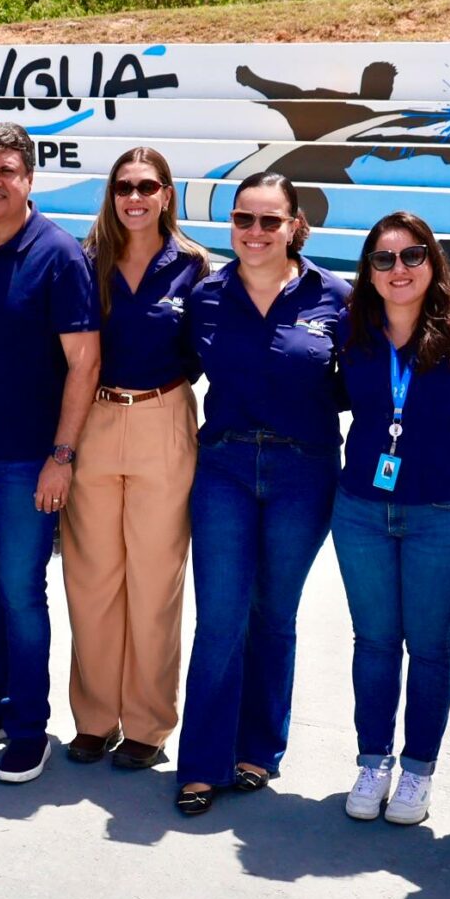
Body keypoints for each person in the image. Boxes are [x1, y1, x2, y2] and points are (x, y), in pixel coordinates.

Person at [176, 173, 350, 817]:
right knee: (220, 616)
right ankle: (201, 763)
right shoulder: (206, 296)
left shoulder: (335, 296)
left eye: (270, 221)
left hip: (303, 470)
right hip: (223, 466)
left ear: (295, 226)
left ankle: (258, 750)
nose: (255, 232)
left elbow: (365, 372)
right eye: (243, 219)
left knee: (274, 614)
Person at [333, 212, 450, 828]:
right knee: (374, 641)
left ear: (432, 261)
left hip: (445, 510)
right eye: (383, 259)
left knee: (430, 647)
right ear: (368, 270)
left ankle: (417, 770)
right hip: (362, 508)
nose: (399, 269)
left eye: (412, 256)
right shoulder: (352, 325)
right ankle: (373, 761)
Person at [0, 123, 101, 785]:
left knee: (21, 591)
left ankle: (31, 727)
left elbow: (84, 363)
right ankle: (0, 703)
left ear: (30, 178)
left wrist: (62, 455)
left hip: (28, 460)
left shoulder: (59, 254)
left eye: (6, 171)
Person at [62, 149, 206, 771]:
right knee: (92, 579)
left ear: (167, 193)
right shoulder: (84, 261)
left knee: (155, 583)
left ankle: (148, 724)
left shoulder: (194, 266)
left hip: (162, 418)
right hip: (94, 419)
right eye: (124, 186)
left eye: (148, 186)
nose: (135, 197)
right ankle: (95, 719)